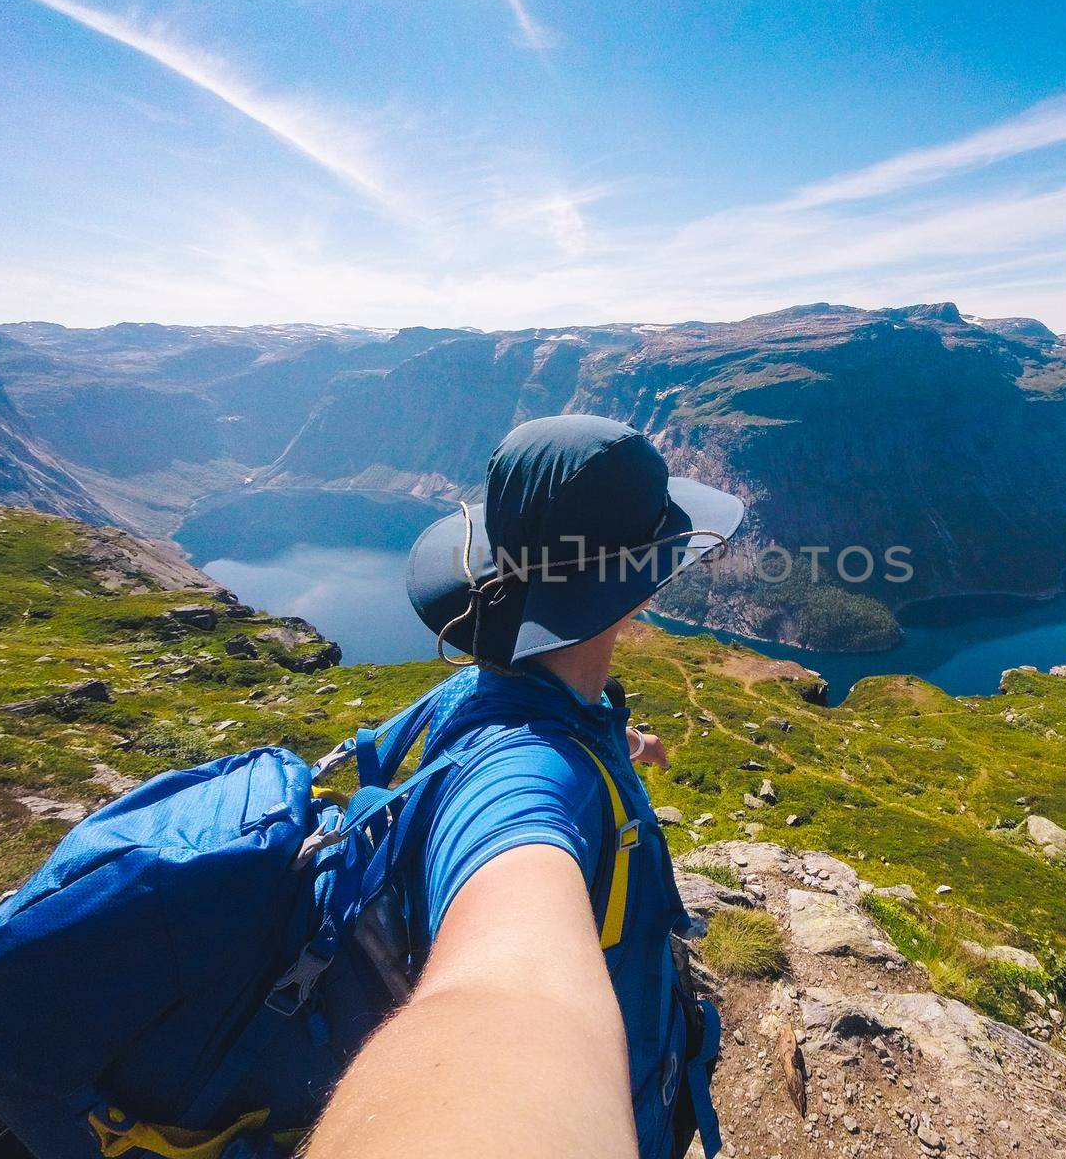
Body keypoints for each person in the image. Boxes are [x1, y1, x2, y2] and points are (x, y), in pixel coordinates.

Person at [307, 414, 744, 1159]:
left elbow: (557, 733)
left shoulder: (499, 694)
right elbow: (507, 993)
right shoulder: (524, 784)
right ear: (636, 581)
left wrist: (632, 745)